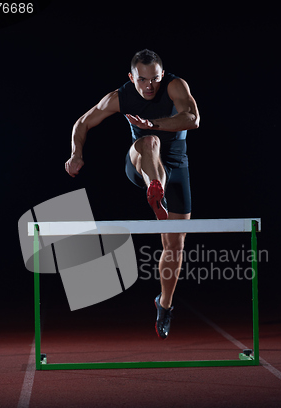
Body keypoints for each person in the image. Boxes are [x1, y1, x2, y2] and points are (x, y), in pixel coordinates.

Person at [65, 49, 200, 339]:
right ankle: (155, 188)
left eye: (155, 79)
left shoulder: (176, 86)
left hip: (178, 169)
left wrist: (155, 123)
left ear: (162, 75)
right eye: (142, 80)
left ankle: (164, 304)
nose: (149, 86)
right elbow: (82, 123)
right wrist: (76, 154)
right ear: (131, 77)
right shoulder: (119, 97)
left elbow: (192, 118)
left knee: (174, 245)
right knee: (148, 142)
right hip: (140, 162)